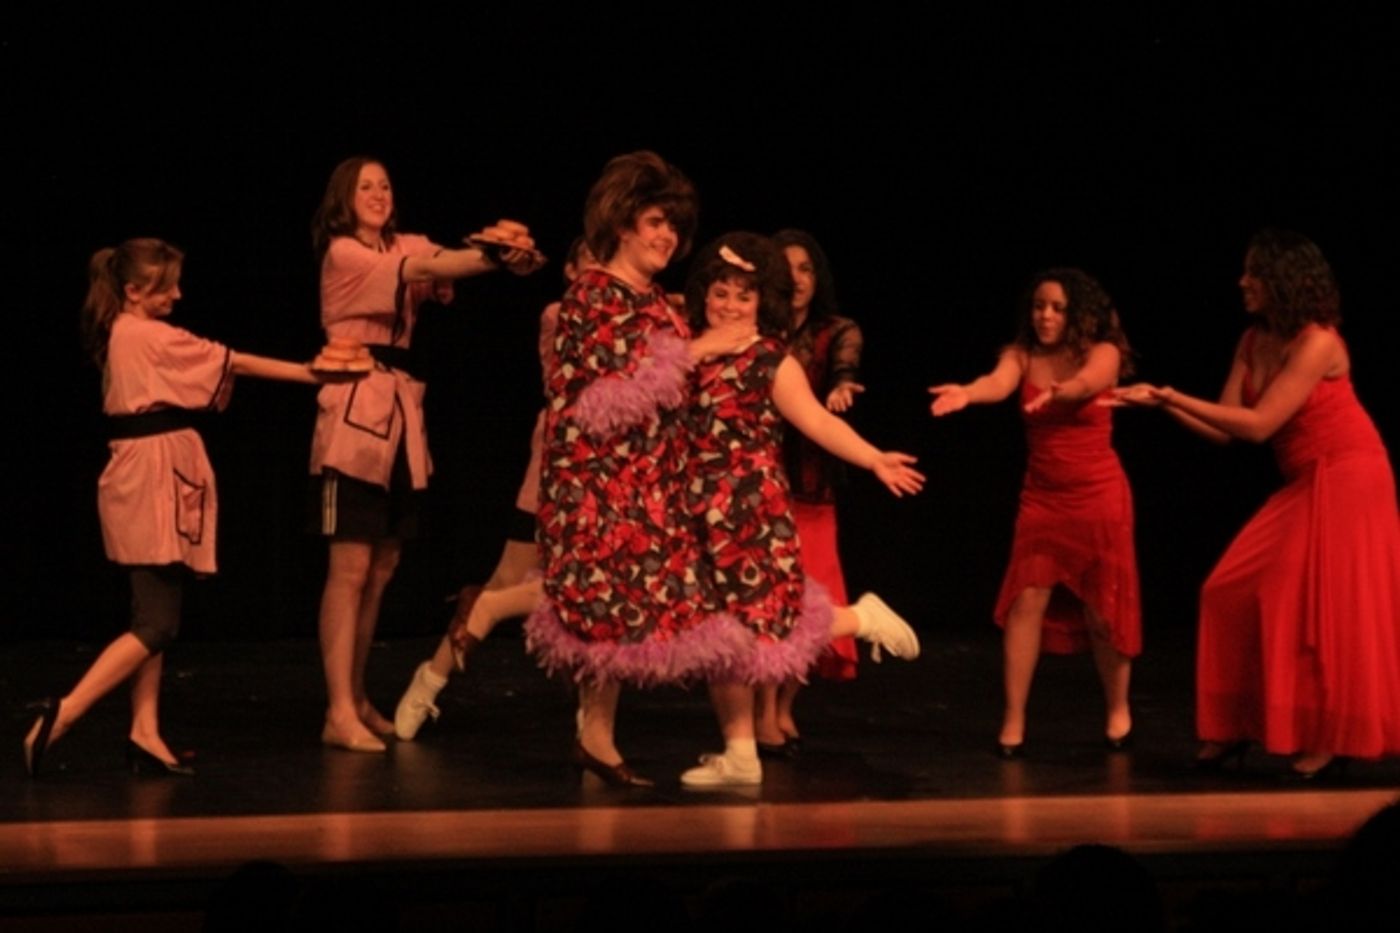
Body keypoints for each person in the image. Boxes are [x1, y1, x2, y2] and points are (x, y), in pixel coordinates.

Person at [23, 238, 332, 777]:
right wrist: (312, 374)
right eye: (165, 288)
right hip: (151, 475)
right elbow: (230, 360)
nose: (178, 295)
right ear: (133, 290)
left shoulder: (124, 330)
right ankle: (64, 713)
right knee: (158, 624)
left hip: (146, 469)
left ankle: (145, 731)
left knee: (151, 611)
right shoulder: (145, 334)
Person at [1113, 229, 1400, 777]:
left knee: (1323, 607)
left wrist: (1173, 394)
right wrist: (1161, 404)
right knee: (1227, 590)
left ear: (1283, 281)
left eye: (1254, 273)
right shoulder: (1251, 341)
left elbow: (1260, 424)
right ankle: (1232, 728)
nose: (1243, 282)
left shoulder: (1319, 342)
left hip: (1350, 475)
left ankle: (1329, 737)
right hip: (1306, 480)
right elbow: (1225, 429)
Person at [524, 151, 764, 786]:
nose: (668, 237)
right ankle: (600, 740)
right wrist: (698, 349)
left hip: (650, 482)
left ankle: (598, 740)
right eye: (656, 222)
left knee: (618, 610)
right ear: (622, 222)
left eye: (673, 226)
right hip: (598, 485)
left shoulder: (655, 300)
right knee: (601, 606)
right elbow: (601, 403)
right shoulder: (592, 296)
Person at [310, 156, 541, 753]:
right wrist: (492, 255)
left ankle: (356, 697)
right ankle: (338, 710)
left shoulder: (403, 242)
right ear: (343, 197)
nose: (378, 193)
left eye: (385, 184)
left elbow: (451, 260)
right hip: (354, 412)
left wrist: (508, 251)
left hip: (398, 415)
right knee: (349, 568)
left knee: (382, 568)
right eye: (365, 186)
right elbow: (433, 267)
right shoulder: (344, 253)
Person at [679, 232, 924, 787]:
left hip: (750, 512)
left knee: (764, 623)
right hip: (698, 513)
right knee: (719, 636)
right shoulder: (690, 350)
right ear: (704, 295)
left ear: (761, 301)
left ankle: (860, 618)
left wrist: (873, 459)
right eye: (721, 293)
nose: (731, 305)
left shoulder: (772, 360)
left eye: (744, 295)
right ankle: (740, 756)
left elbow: (817, 422)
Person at [930, 268, 1139, 756]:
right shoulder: (1022, 354)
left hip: (1099, 497)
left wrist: (1064, 390)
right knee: (1026, 601)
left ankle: (1117, 709)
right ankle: (1014, 718)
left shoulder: (1102, 352)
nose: (1045, 316)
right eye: (1039, 306)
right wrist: (968, 392)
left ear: (1078, 313)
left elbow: (1089, 382)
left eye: (1058, 308)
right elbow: (998, 382)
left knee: (1102, 608)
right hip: (1043, 498)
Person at [393, 238, 595, 740]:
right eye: (590, 262)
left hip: (609, 472)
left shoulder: (633, 317)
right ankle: (431, 677)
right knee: (505, 580)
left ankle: (593, 719)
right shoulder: (558, 315)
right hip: (557, 463)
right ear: (571, 271)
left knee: (593, 592)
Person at [752, 229, 864, 758]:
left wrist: (841, 387)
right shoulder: (754, 329)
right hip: (759, 489)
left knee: (811, 601)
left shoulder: (835, 331)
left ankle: (783, 706)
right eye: (786, 268)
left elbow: (844, 368)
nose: (796, 279)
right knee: (765, 604)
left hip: (812, 487)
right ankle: (760, 713)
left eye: (805, 269)